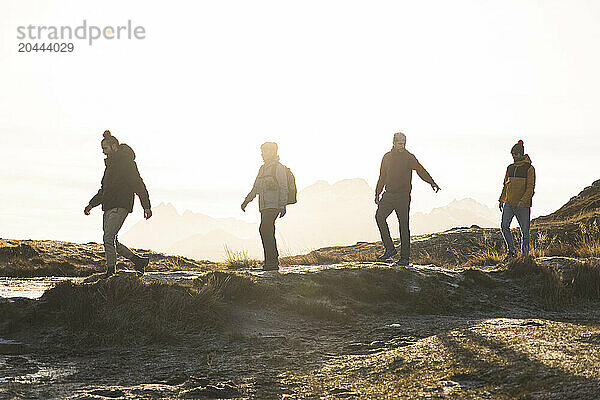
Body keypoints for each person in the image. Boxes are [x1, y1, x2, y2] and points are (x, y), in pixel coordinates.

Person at [84, 130, 152, 277]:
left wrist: (146, 206)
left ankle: (111, 272)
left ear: (114, 146)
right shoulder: (110, 166)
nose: (103, 152)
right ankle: (138, 261)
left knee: (108, 238)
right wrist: (91, 204)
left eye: (105, 149)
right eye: (102, 149)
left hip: (121, 205)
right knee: (113, 240)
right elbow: (104, 189)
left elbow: (138, 184)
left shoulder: (127, 163)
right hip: (108, 206)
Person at [375, 132, 440, 266]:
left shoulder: (409, 157)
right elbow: (382, 176)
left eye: (404, 143)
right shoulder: (386, 157)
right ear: (393, 142)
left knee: (403, 226)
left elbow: (420, 170)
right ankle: (390, 249)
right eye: (400, 143)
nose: (402, 146)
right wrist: (377, 193)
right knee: (379, 217)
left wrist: (432, 182)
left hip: (403, 196)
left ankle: (405, 258)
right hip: (388, 195)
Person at [241, 142, 288, 271]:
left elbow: (284, 187)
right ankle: (270, 262)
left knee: (265, 229)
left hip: (273, 206)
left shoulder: (278, 168)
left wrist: (282, 206)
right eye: (262, 151)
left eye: (266, 151)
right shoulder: (262, 169)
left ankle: (272, 262)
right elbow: (256, 188)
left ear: (273, 152)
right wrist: (246, 201)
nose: (262, 154)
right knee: (266, 231)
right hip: (264, 206)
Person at [499, 139, 535, 260]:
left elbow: (530, 188)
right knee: (504, 226)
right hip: (508, 203)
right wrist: (501, 199)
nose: (514, 156)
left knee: (525, 232)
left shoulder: (529, 168)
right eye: (512, 154)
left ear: (521, 154)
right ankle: (512, 252)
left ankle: (525, 257)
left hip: (523, 206)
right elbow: (505, 184)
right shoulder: (510, 168)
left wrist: (523, 201)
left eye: (516, 154)